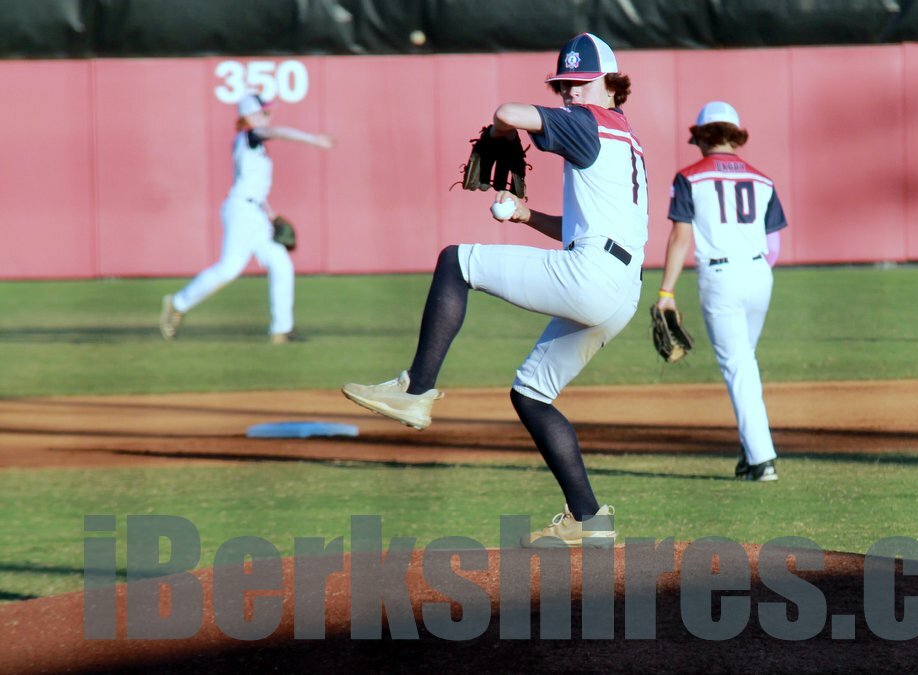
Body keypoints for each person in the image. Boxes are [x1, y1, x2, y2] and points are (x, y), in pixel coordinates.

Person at [342, 33, 646, 547]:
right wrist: (527, 216)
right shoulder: (625, 137)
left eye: (581, 84)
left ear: (612, 86)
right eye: (563, 85)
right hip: (621, 288)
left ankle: (415, 390)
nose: (570, 93)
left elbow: (507, 108)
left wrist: (504, 132)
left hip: (592, 276)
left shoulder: (589, 123)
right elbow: (581, 228)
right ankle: (589, 520)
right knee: (531, 394)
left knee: (455, 261)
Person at [657, 101, 788, 481]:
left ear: (702, 137)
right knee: (744, 360)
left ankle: (762, 460)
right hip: (760, 274)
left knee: (738, 365)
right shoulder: (763, 180)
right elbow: (774, 244)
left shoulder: (689, 177)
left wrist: (666, 291)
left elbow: (681, 236)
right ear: (734, 135)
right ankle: (750, 454)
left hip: (721, 278)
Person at [159, 93, 335, 344]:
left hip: (255, 212)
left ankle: (281, 331)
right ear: (250, 115)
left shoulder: (255, 146)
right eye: (264, 112)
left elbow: (255, 186)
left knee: (281, 264)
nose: (269, 115)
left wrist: (270, 212)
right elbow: (275, 132)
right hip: (241, 210)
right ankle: (177, 303)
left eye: (268, 112)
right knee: (229, 269)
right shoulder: (250, 136)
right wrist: (312, 140)